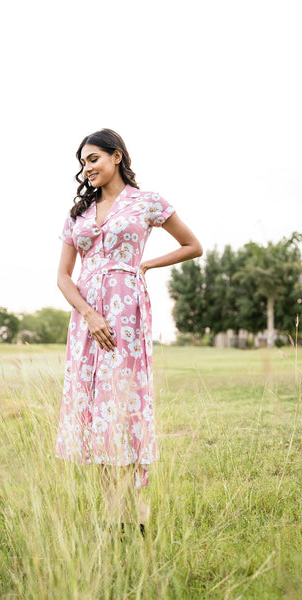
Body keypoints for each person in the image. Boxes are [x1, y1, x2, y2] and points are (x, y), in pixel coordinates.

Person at [55, 128, 202, 536]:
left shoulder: (147, 202)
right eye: (83, 163)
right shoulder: (78, 215)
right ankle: (112, 515)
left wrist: (147, 265)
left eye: (93, 159)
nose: (87, 169)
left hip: (126, 312)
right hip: (87, 321)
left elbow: (193, 245)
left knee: (122, 406)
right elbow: (63, 277)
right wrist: (88, 313)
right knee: (97, 411)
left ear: (116, 156)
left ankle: (133, 516)